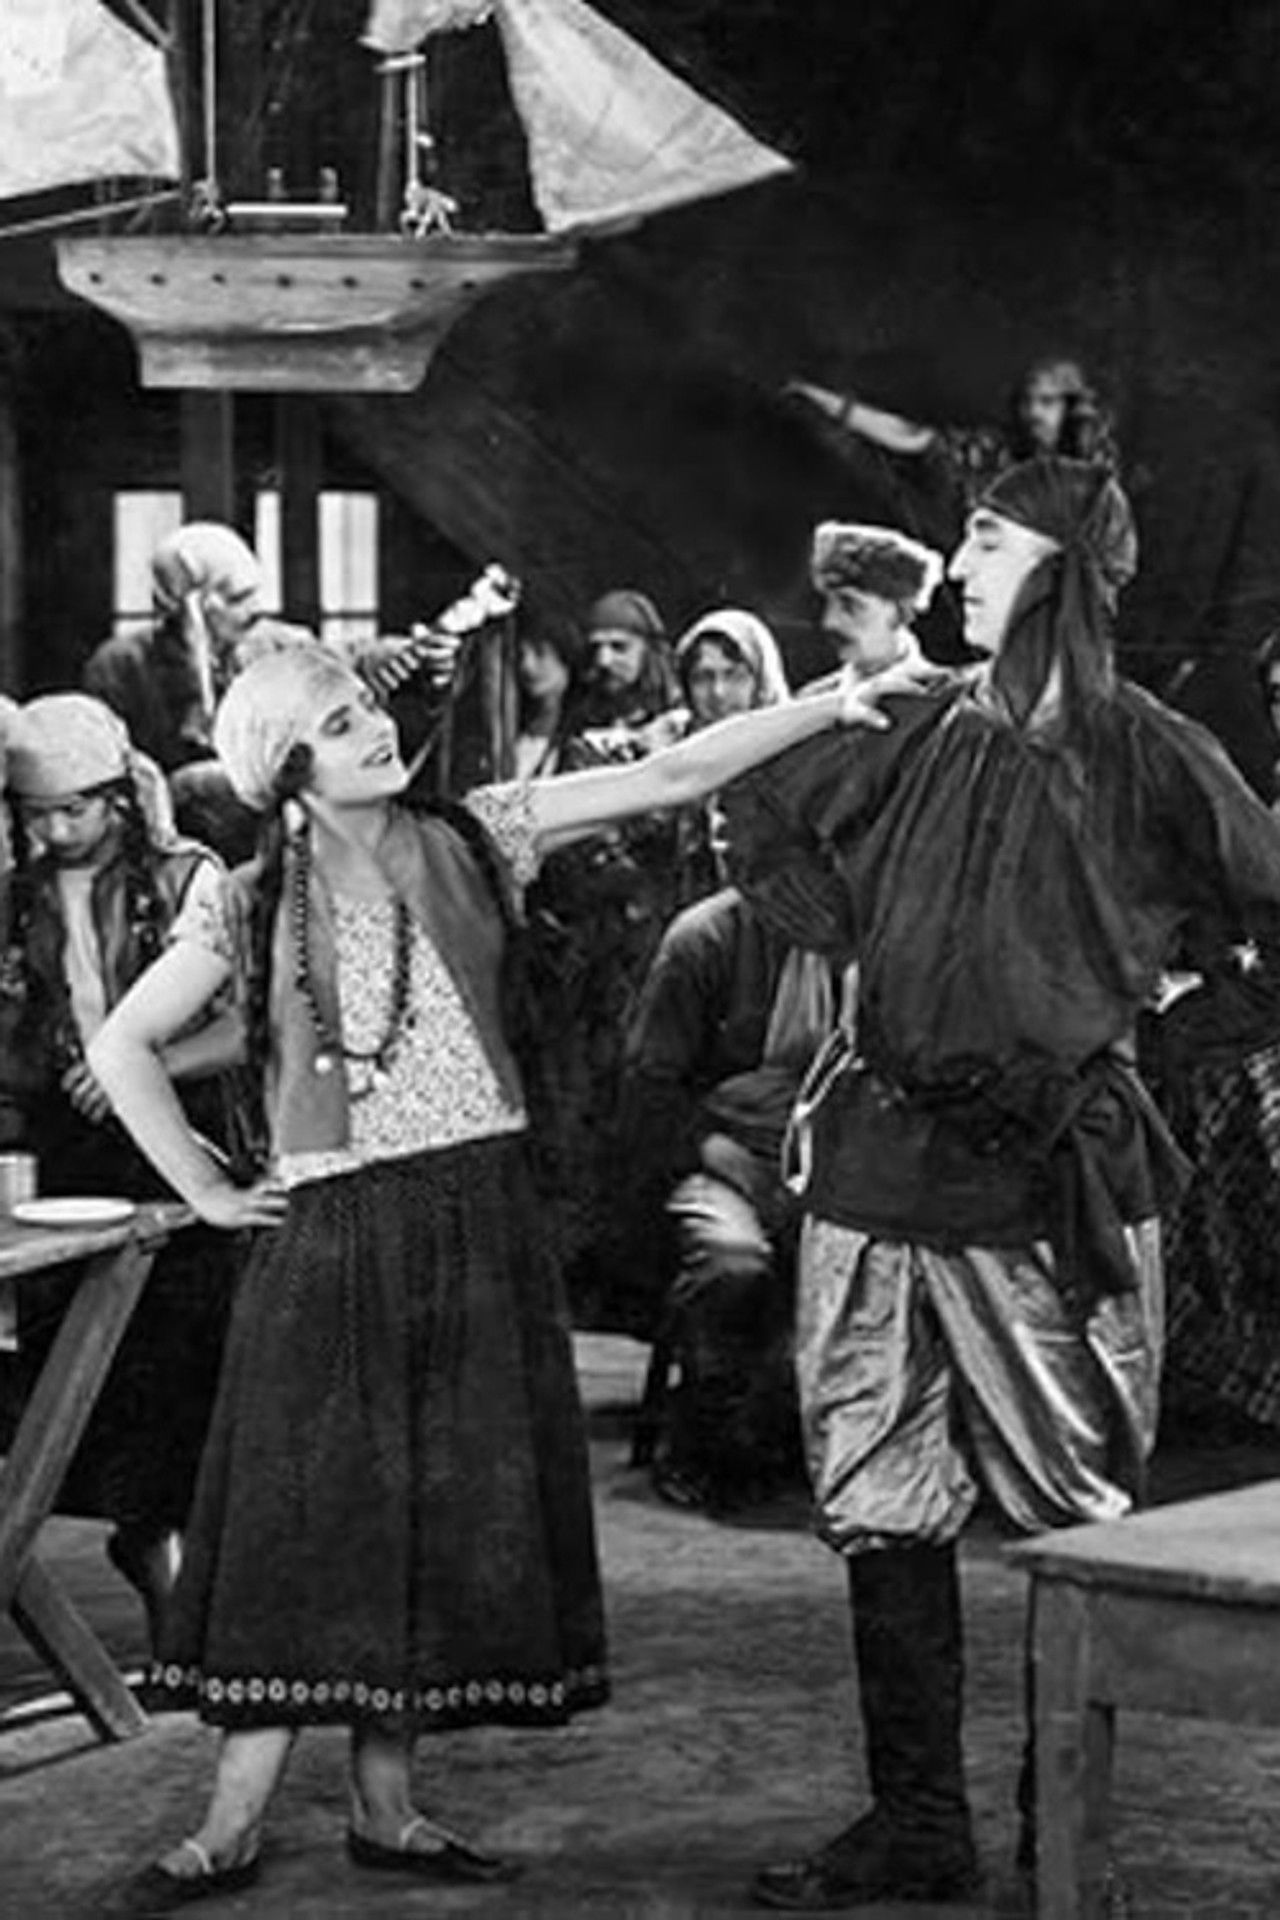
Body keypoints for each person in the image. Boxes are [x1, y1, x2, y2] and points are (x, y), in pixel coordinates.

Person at [86, 638, 901, 1913]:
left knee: (433, 1514)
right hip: (332, 1233)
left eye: (365, 710)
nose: (376, 731)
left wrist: (832, 704)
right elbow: (125, 1043)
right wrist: (205, 1188)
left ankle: (386, 1807)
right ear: (285, 765)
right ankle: (227, 1827)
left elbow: (671, 776)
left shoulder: (477, 834)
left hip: (476, 1219)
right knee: (307, 1523)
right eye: (340, 724)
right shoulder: (242, 903)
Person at [717, 455, 1280, 1909]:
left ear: (1064, 568)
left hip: (1045, 1188)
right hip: (876, 1171)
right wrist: (869, 935)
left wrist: (1146, 1023)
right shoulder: (909, 726)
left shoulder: (1149, 752)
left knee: (1071, 1516)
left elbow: (1265, 906)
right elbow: (766, 825)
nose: (957, 566)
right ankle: (916, 1825)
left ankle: (1061, 1832)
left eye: (984, 538)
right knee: (879, 1501)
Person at [0, 694, 247, 1647]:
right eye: (37, 815)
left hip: (183, 1135)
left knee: (182, 1353)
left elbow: (253, 1021)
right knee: (78, 1358)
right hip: (72, 1149)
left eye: (75, 810)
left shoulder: (191, 878)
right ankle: (138, 1535)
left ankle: (171, 1547)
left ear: (120, 797)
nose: (57, 832)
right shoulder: (20, 895)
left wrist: (142, 1065)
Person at [619, 885, 835, 1510]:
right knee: (733, 1262)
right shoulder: (706, 940)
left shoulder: (865, 929)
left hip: (837, 1164)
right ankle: (702, 1439)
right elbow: (650, 1094)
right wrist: (733, 1163)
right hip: (721, 1158)